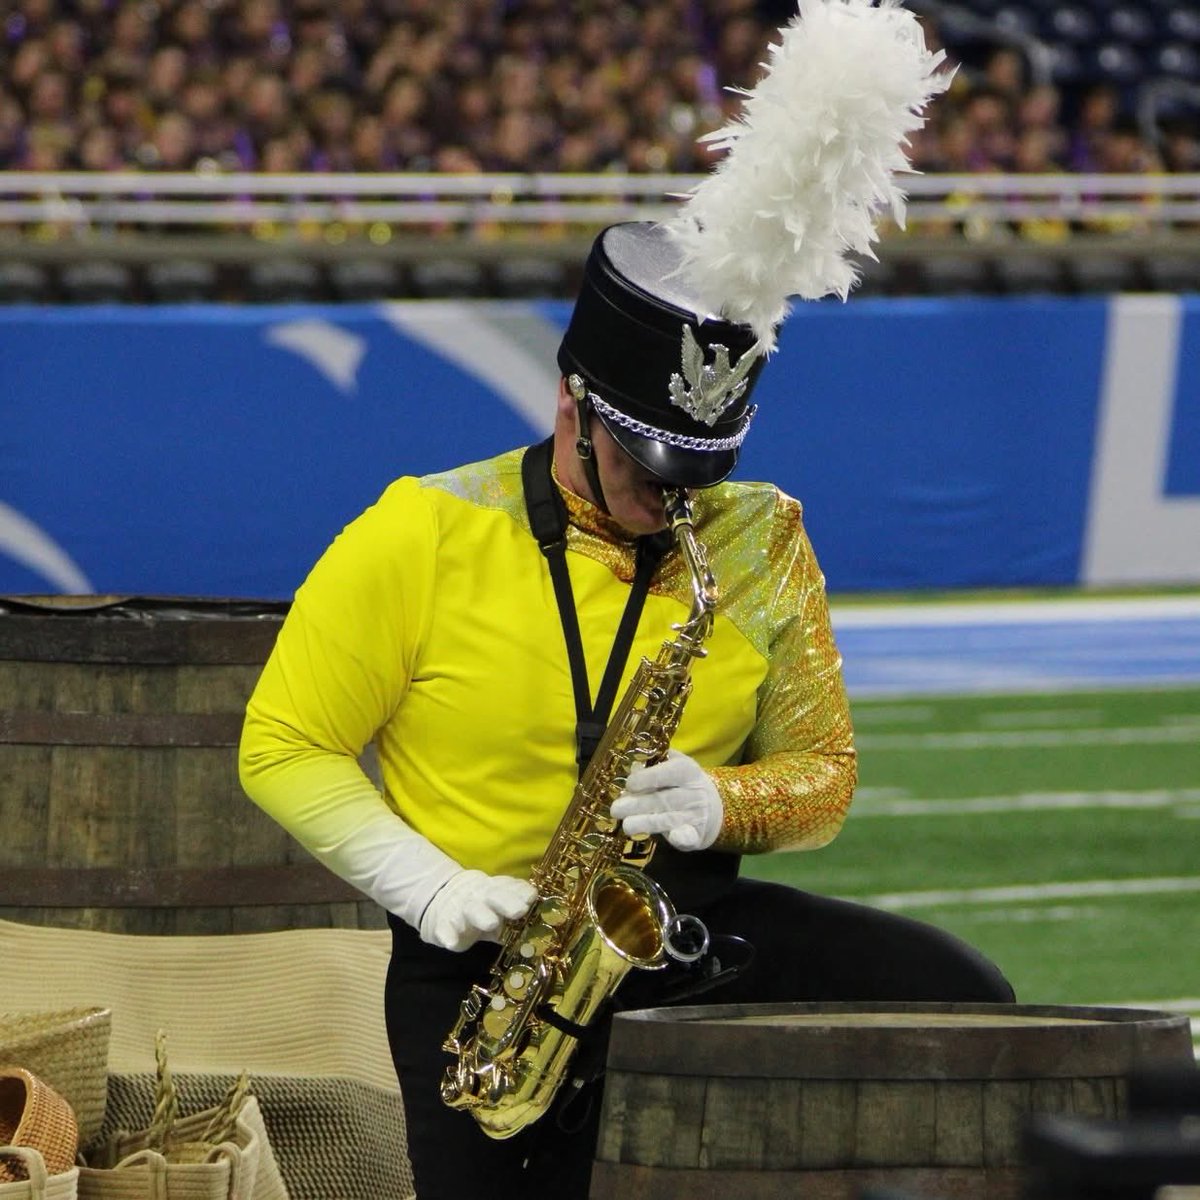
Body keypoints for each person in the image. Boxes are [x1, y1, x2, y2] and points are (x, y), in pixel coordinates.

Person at [239, 6, 1012, 1198]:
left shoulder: (761, 537)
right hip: (490, 962)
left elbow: (827, 777)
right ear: (571, 409)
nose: (680, 505)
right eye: (655, 472)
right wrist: (433, 889)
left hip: (685, 927)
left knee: (970, 1000)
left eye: (705, 475)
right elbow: (283, 746)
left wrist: (723, 801)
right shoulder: (420, 529)